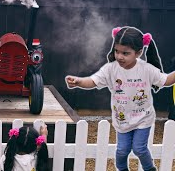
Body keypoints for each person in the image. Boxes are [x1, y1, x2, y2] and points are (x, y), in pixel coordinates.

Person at [65, 26, 175, 171]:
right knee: (122, 151)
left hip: (143, 119)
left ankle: (150, 169)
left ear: (139, 53)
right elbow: (93, 81)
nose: (119, 56)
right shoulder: (111, 69)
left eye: (125, 53)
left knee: (139, 149)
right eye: (117, 51)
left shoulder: (147, 69)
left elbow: (166, 80)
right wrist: (79, 82)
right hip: (122, 120)